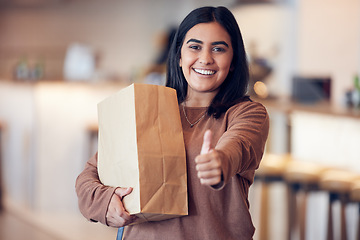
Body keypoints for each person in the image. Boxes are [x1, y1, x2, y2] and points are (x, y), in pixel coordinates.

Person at [76, 6, 269, 240]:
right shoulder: (148, 109)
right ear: (179, 56)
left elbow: (237, 146)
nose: (206, 59)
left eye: (218, 49)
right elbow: (88, 177)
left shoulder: (247, 113)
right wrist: (105, 203)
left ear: (234, 61)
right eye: (195, 47)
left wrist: (220, 161)